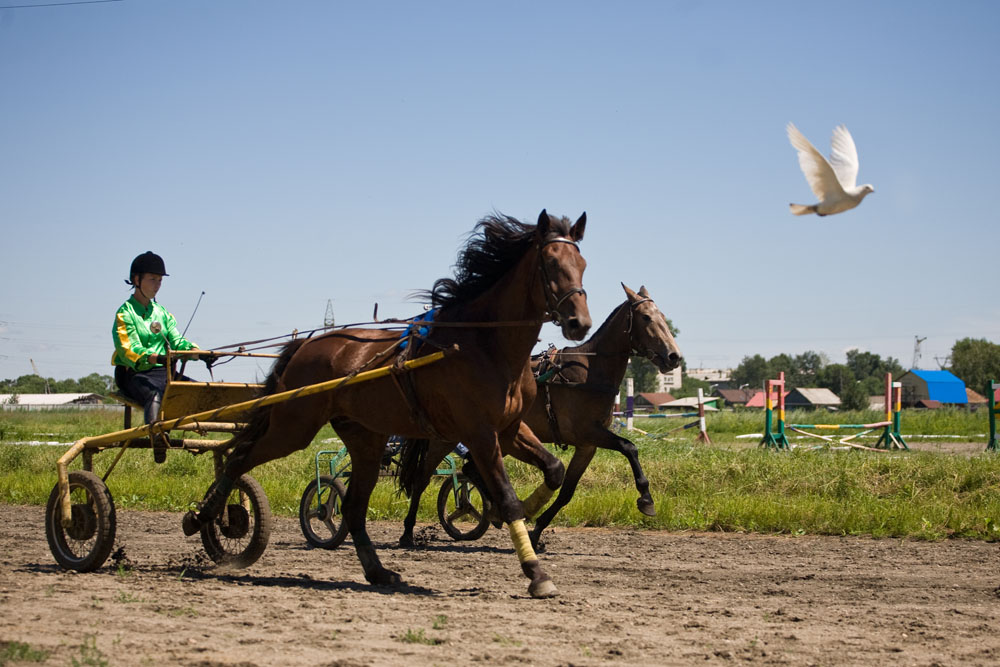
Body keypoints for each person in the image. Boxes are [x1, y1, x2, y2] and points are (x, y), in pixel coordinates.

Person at [112, 252, 202, 460]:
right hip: (133, 374)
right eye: (152, 279)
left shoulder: (162, 313)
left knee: (196, 390)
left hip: (164, 372)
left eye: (160, 280)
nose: (157, 285)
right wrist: (153, 357)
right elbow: (128, 349)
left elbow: (178, 342)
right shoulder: (125, 314)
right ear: (136, 279)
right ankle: (157, 438)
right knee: (156, 394)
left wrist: (198, 354)